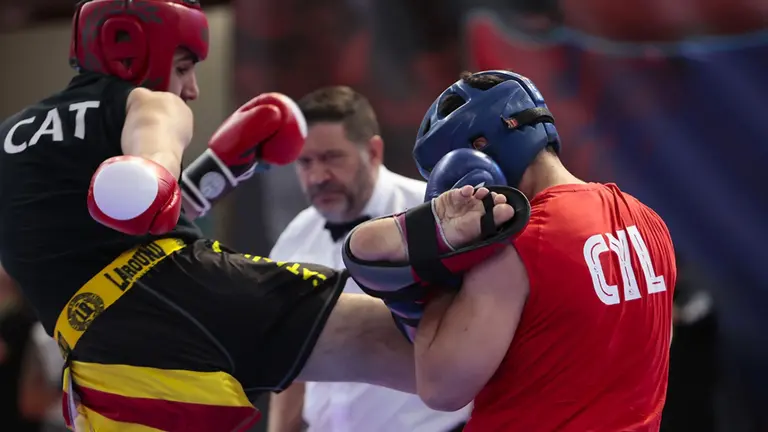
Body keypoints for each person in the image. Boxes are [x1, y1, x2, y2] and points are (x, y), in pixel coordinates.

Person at [0, 1, 517, 430]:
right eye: (183, 67)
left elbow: (108, 233)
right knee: (429, 352)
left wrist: (219, 169)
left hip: (99, 352)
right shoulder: (147, 100)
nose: (191, 89)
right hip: (191, 292)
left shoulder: (10, 137)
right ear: (140, 57)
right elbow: (147, 165)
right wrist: (151, 169)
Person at [342, 70, 677, 431]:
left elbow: (441, 389)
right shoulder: (649, 223)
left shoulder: (519, 245)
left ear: (477, 154)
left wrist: (434, 280)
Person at [267, 86, 469, 432]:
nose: (317, 177)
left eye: (332, 157)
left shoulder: (437, 218)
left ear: (373, 151)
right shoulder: (295, 239)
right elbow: (289, 356)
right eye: (305, 162)